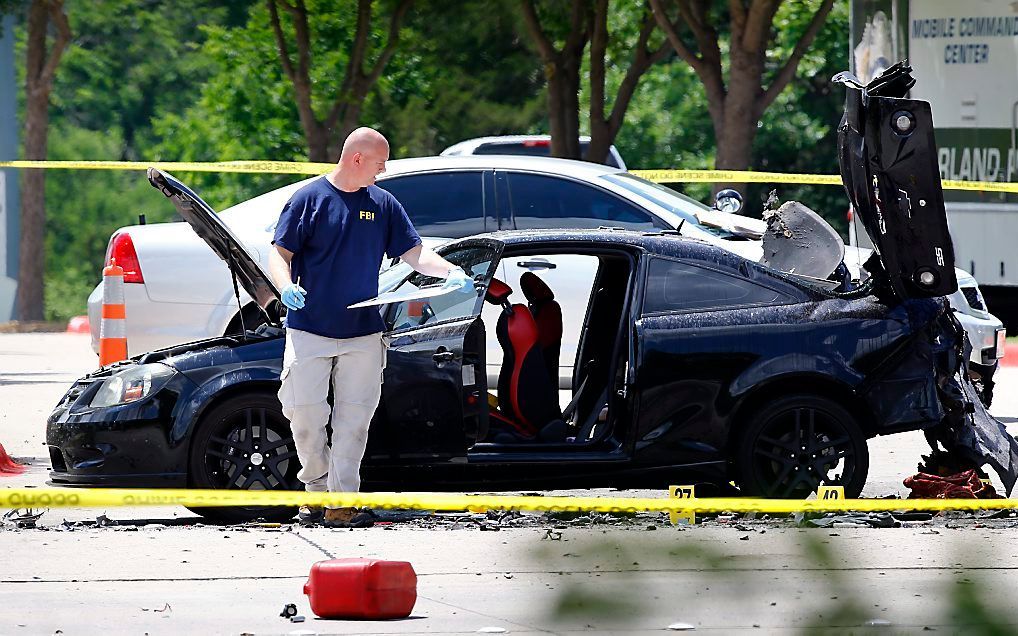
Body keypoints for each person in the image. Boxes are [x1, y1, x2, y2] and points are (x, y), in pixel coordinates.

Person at [269, 127, 471, 527]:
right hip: (309, 328)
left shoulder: (383, 204)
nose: (384, 169)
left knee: (353, 423)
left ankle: (340, 504)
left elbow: (414, 253)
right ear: (356, 158)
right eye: (380, 162)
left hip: (363, 333)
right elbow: (280, 254)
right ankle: (314, 491)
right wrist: (285, 287)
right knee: (305, 416)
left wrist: (450, 272)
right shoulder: (309, 199)